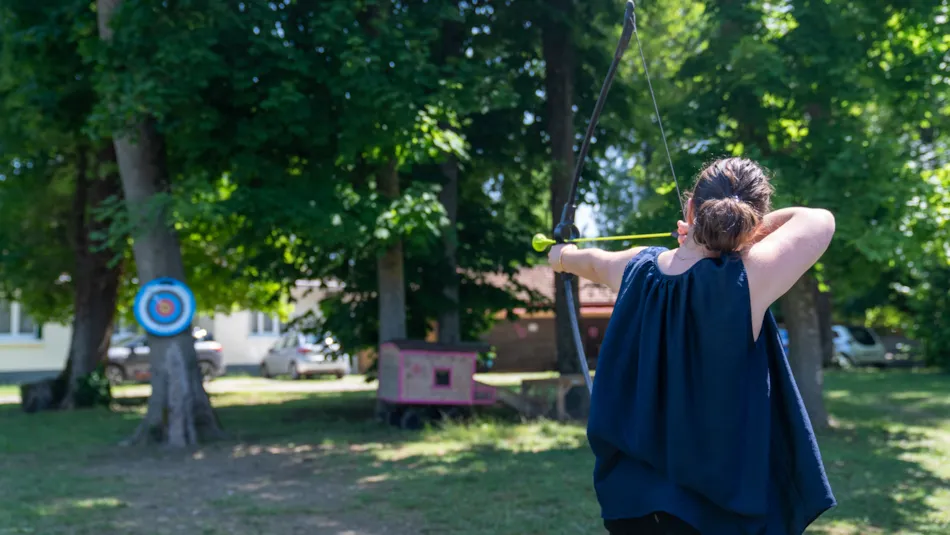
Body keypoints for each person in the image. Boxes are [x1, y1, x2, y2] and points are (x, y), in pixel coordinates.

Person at [548, 157, 837, 534]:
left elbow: (582, 259)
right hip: (716, 515)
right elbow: (818, 219)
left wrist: (559, 255)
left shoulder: (635, 267)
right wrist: (739, 235)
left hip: (631, 508)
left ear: (690, 209)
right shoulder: (748, 278)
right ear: (752, 221)